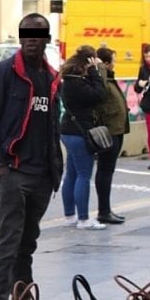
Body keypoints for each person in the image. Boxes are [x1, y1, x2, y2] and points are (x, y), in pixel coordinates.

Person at [0, 13, 63, 300]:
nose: (32, 40)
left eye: (39, 35)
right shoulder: (3, 74)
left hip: (41, 174)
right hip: (12, 172)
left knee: (26, 246)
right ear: (20, 37)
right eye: (27, 34)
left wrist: (56, 169)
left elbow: (51, 125)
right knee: (7, 243)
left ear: (46, 39)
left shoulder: (51, 78)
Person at [59, 46, 107, 231]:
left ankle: (70, 215)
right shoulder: (77, 84)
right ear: (88, 62)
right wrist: (95, 71)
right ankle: (84, 219)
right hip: (79, 133)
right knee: (83, 175)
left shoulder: (69, 81)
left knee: (71, 173)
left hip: (68, 131)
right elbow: (100, 94)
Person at [93, 47, 130, 225]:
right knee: (105, 170)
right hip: (109, 131)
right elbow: (100, 88)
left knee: (108, 170)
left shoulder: (108, 78)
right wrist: (99, 66)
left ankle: (106, 209)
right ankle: (103, 210)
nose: (115, 63)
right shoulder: (101, 79)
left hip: (116, 129)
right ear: (105, 64)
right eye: (113, 60)